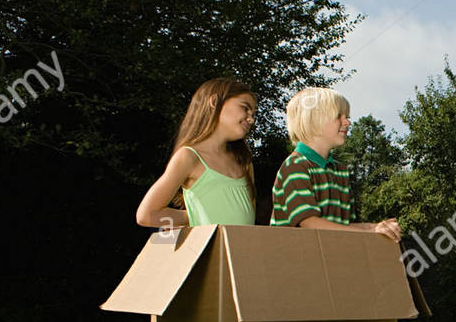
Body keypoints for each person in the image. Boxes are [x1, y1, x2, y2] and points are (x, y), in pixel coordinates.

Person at [271, 87, 401, 241]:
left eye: (347, 116)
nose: (347, 122)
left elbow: (345, 225)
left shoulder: (340, 171)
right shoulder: (295, 166)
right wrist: (369, 231)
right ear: (313, 119)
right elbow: (309, 223)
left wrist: (376, 227)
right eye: (338, 116)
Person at [136, 78, 258, 228]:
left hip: (242, 251)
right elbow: (146, 215)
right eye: (245, 108)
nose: (251, 119)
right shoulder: (188, 157)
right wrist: (193, 216)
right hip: (211, 251)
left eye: (253, 114)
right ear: (214, 102)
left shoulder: (244, 163)